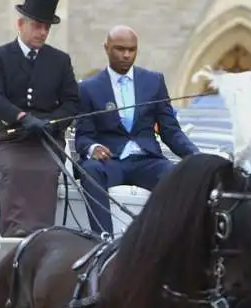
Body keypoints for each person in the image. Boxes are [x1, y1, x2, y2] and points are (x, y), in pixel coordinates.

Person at [74, 25, 198, 235]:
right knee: (90, 171)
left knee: (174, 175)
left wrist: (195, 155)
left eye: (132, 50)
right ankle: (103, 240)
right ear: (106, 48)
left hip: (147, 161)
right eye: (120, 49)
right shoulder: (89, 88)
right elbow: (83, 136)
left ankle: (164, 239)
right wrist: (93, 148)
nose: (126, 55)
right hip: (110, 162)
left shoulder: (154, 82)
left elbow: (170, 131)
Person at [0, 0, 80, 237]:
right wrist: (22, 118)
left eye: (47, 28)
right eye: (37, 26)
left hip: (47, 137)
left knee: (47, 171)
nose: (43, 33)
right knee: (15, 169)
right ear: (21, 24)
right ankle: (14, 232)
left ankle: (41, 234)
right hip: (11, 137)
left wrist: (52, 122)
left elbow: (71, 101)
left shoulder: (60, 61)